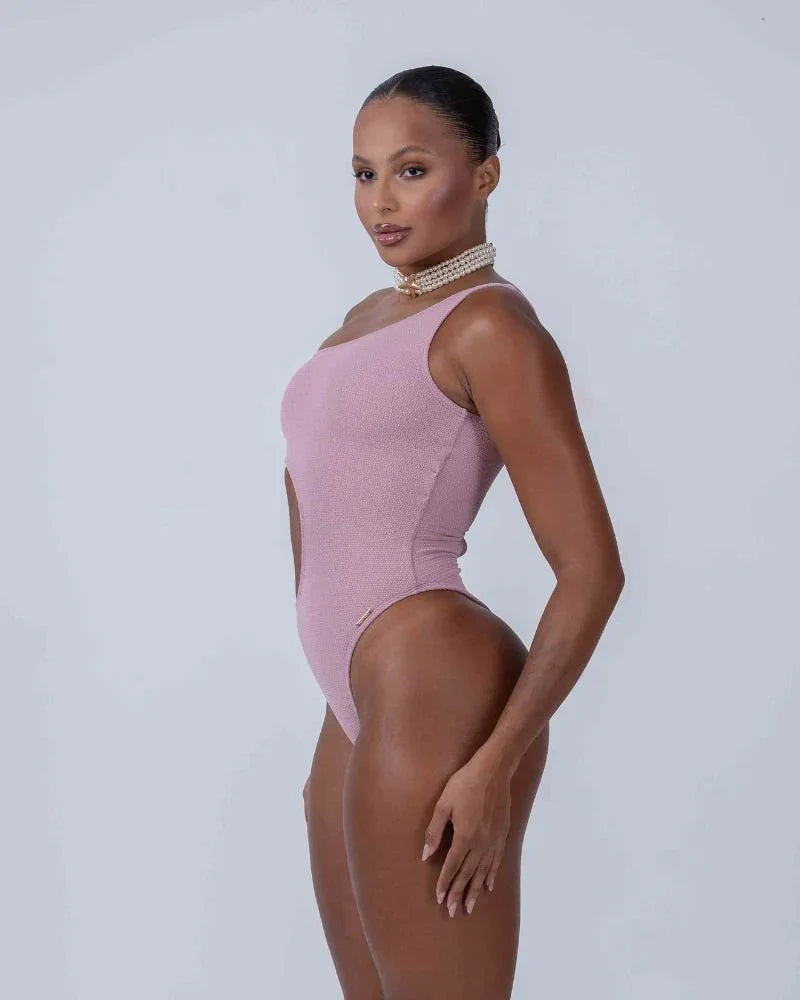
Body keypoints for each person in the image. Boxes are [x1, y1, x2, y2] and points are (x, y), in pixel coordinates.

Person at [280, 64, 625, 1000]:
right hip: (356, 699)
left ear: (484, 174)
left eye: (411, 170)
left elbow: (592, 569)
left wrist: (495, 766)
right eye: (364, 174)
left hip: (435, 681)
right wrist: (335, 713)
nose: (380, 202)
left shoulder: (491, 328)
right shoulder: (365, 320)